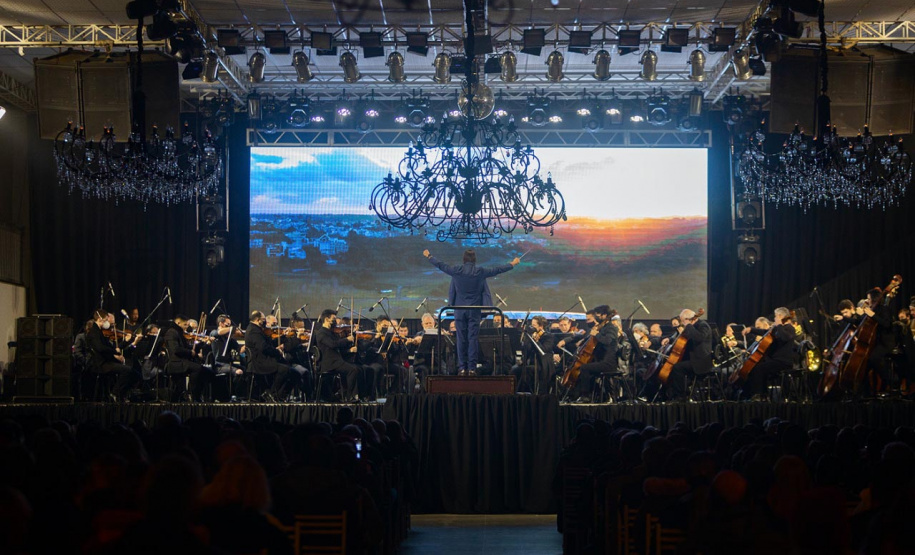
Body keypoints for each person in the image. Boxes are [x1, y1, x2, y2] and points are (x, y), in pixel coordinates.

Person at [424, 248, 520, 376]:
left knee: (461, 338)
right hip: (474, 310)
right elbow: (497, 270)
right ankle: (472, 369)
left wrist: (429, 256)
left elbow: (441, 265)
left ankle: (462, 368)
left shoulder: (457, 270)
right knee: (472, 339)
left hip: (459, 310)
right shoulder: (480, 271)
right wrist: (512, 264)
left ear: (464, 259)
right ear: (474, 259)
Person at [739, 307, 799, 400]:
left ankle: (760, 395)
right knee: (756, 367)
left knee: (759, 369)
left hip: (783, 362)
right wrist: (751, 329)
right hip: (774, 360)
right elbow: (764, 332)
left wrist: (779, 325)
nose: (774, 319)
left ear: (780, 316)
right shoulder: (778, 328)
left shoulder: (789, 328)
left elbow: (784, 338)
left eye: (775, 316)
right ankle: (761, 394)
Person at [566, 305, 619, 403]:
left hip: (608, 363)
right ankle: (578, 395)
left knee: (584, 368)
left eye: (598, 315)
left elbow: (607, 341)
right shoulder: (602, 327)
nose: (596, 317)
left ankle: (586, 396)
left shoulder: (611, 328)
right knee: (584, 368)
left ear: (604, 315)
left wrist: (596, 334)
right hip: (599, 360)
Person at [245, 311, 299, 402]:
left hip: (264, 360)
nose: (265, 322)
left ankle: (280, 395)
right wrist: (277, 352)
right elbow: (263, 347)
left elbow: (269, 344)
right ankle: (272, 394)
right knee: (284, 370)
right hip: (259, 362)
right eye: (263, 320)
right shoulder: (253, 330)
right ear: (258, 320)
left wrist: (283, 336)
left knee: (295, 373)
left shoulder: (258, 330)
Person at [85, 309, 138, 401]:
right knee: (127, 370)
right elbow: (100, 348)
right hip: (100, 364)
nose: (107, 322)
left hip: (106, 361)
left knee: (133, 373)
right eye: (106, 319)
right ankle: (114, 394)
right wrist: (114, 352)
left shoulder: (99, 331)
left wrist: (125, 342)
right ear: (99, 319)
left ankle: (120, 395)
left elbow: (113, 347)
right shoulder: (94, 332)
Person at [161, 315, 215, 401]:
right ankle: (194, 396)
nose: (187, 327)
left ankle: (199, 395)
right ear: (178, 323)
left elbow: (189, 348)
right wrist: (190, 352)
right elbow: (176, 349)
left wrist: (203, 344)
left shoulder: (179, 333)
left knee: (208, 372)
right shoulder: (171, 332)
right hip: (176, 363)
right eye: (185, 324)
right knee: (198, 369)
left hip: (183, 362)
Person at [313, 309, 362, 401]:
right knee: (353, 370)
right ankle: (350, 396)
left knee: (358, 369)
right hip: (329, 362)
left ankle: (349, 394)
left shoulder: (332, 332)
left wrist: (352, 336)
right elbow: (333, 344)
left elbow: (340, 345)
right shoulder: (321, 333)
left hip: (337, 361)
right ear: (327, 319)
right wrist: (347, 339)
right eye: (333, 318)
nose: (335, 321)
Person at [665, 309, 713, 401]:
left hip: (701, 362)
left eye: (683, 321)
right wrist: (669, 340)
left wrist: (689, 326)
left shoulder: (703, 325)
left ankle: (681, 397)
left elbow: (699, 338)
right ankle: (673, 394)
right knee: (671, 367)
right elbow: (680, 338)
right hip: (692, 359)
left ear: (689, 319)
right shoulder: (690, 327)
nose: (682, 323)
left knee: (677, 368)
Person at [512, 315, 555, 394]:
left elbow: (543, 350)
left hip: (542, 364)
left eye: (534, 326)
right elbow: (527, 350)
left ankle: (529, 392)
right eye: (531, 325)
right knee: (515, 369)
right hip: (531, 363)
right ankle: (515, 392)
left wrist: (537, 341)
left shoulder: (549, 336)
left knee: (527, 371)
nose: (531, 328)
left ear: (541, 327)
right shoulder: (530, 336)